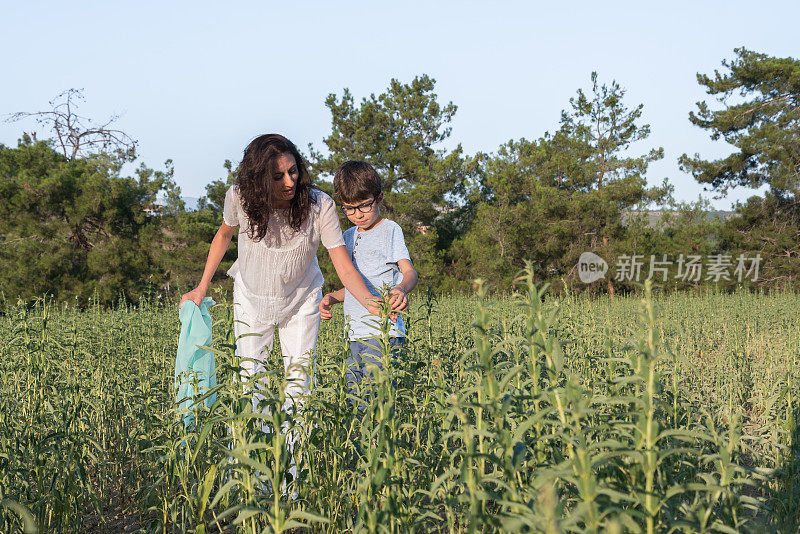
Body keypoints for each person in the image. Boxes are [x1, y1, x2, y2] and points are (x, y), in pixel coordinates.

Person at [179, 134, 388, 419]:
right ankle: (253, 460)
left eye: (293, 171)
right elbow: (224, 234)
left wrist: (371, 302)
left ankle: (295, 461)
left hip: (302, 298)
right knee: (251, 382)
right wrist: (201, 287)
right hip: (251, 298)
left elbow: (341, 262)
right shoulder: (239, 196)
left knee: (300, 383)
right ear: (259, 178)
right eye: (278, 176)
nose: (289, 181)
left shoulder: (319, 205)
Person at [319, 161, 418, 400]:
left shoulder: (390, 229)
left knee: (378, 401)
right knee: (356, 400)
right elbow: (355, 286)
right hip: (353, 334)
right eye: (349, 209)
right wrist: (333, 297)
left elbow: (410, 273)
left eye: (365, 205)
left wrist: (400, 289)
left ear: (380, 198)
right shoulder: (347, 236)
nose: (358, 215)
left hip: (383, 332)